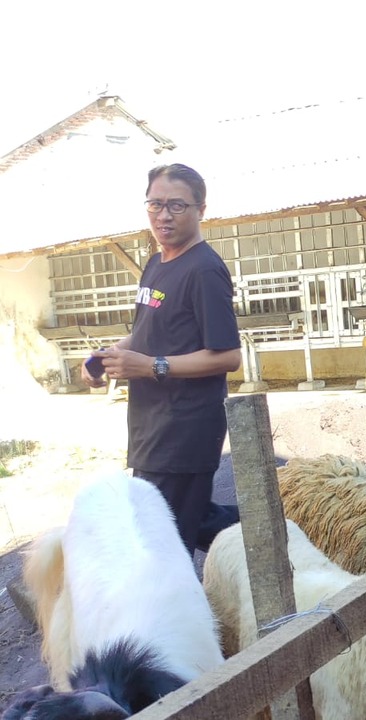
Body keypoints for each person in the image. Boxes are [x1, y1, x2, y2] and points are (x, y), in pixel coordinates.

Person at [84, 164, 242, 555]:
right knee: (184, 521)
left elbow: (228, 355)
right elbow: (147, 332)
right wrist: (111, 354)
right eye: (155, 204)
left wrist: (150, 366)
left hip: (184, 430)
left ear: (201, 209)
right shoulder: (156, 264)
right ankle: (277, 529)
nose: (163, 215)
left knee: (161, 548)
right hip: (150, 427)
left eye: (177, 205)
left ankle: (282, 530)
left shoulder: (204, 270)